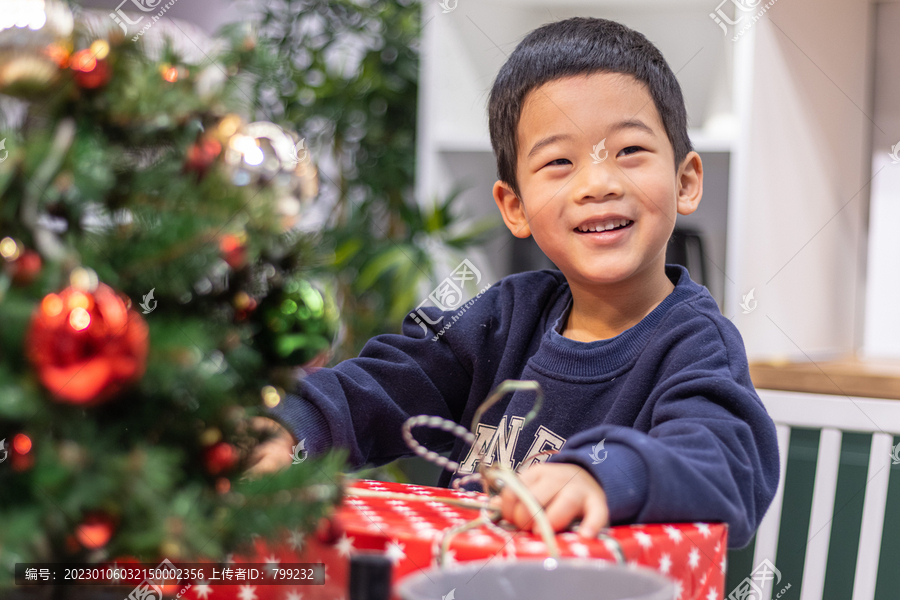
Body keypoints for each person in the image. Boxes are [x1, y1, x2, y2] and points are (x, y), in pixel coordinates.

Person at [249, 16, 779, 549]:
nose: (597, 183)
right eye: (559, 162)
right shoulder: (503, 318)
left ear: (685, 181)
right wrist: (290, 426)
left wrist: (600, 476)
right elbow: (382, 387)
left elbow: (728, 465)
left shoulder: (696, 343)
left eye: (629, 152)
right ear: (515, 206)